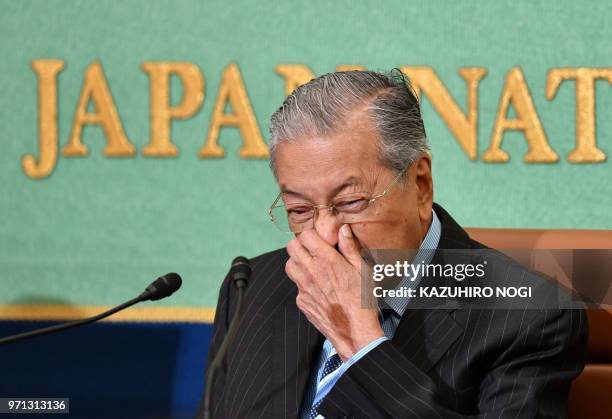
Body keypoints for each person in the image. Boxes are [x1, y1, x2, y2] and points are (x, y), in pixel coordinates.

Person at [197, 70, 587, 418]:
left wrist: (362, 347)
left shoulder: (526, 315)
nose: (326, 235)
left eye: (350, 203)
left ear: (420, 185)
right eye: (300, 210)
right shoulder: (255, 287)